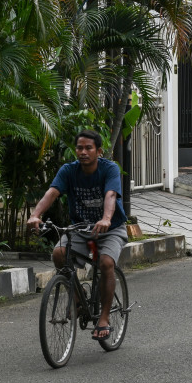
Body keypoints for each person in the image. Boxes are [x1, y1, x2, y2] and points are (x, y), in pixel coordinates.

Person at [27, 129, 128, 341]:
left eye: (88, 148)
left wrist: (106, 218)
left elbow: (110, 194)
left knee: (106, 263)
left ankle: (104, 318)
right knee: (59, 254)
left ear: (99, 151)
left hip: (111, 228)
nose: (83, 152)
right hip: (81, 229)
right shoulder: (69, 171)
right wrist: (36, 214)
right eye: (79, 148)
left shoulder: (109, 169)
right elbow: (52, 192)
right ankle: (77, 299)